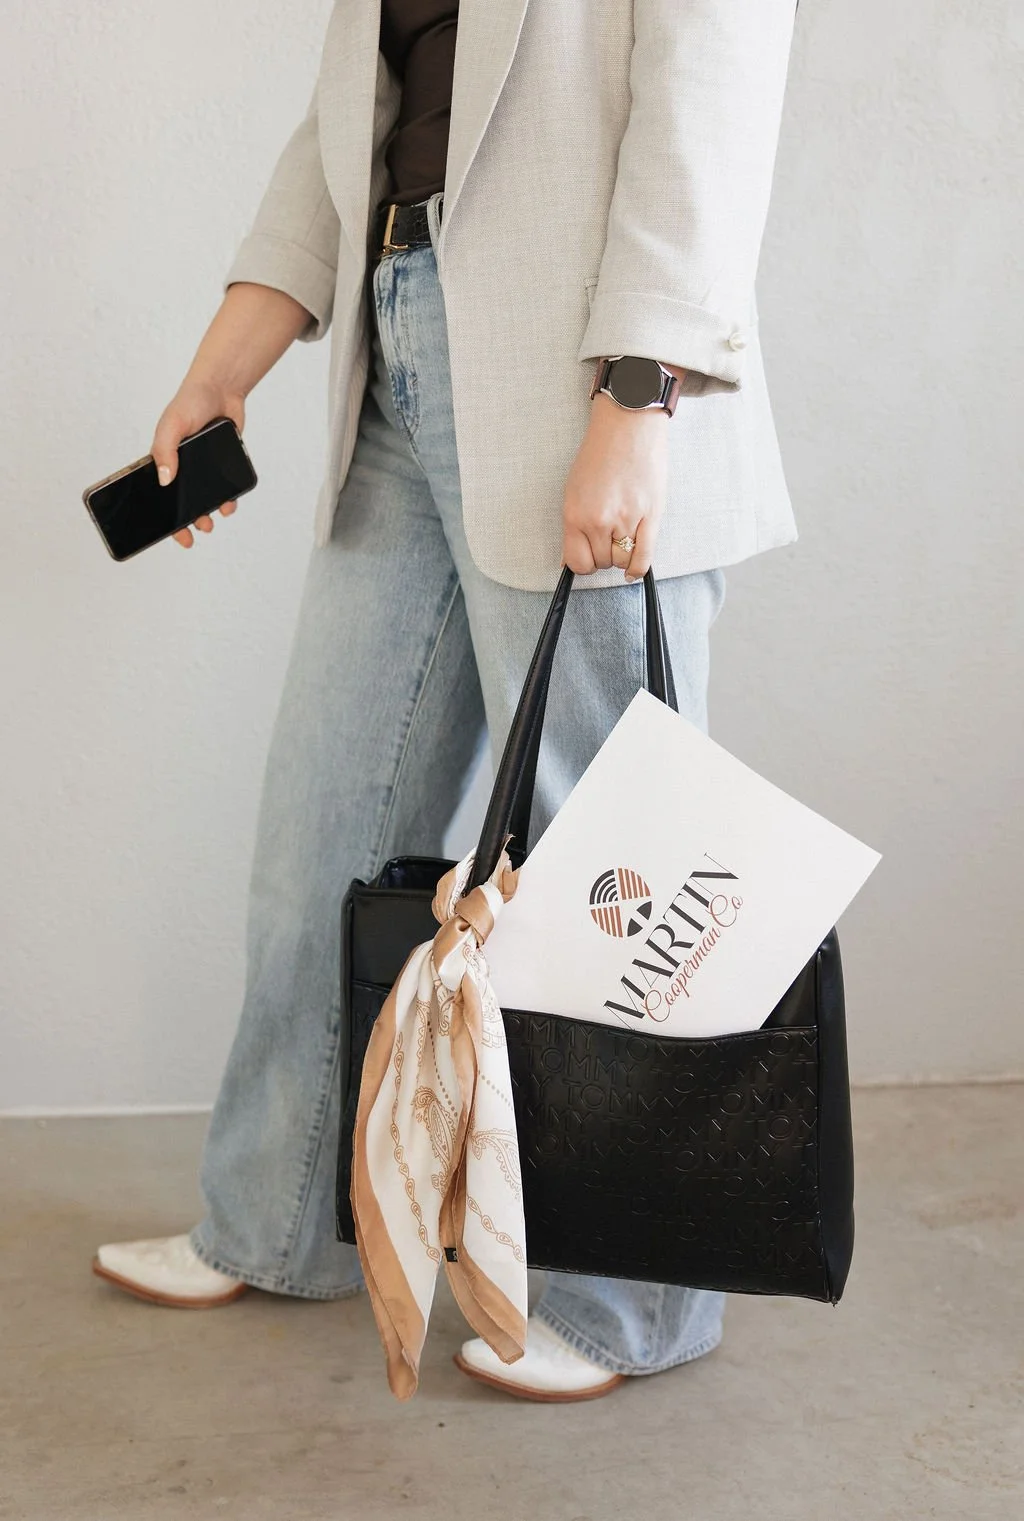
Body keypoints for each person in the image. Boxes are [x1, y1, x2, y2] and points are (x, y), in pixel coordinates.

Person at [93, 0, 800, 1401]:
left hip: (582, 375)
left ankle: (633, 1301)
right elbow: (345, 120)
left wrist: (641, 395)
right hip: (401, 356)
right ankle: (278, 1217)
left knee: (617, 880)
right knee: (322, 841)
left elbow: (709, 92)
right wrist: (224, 364)